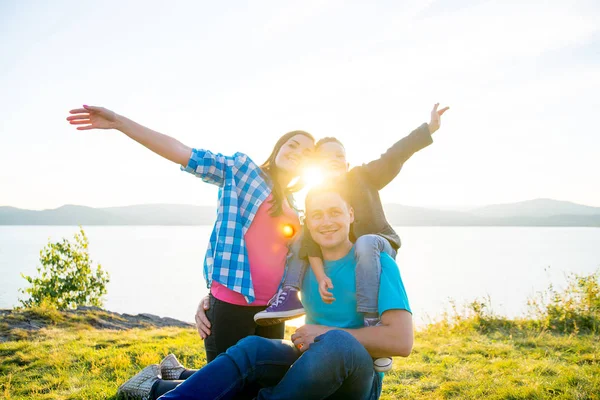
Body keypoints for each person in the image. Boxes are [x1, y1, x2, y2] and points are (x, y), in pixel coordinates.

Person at [66, 105, 315, 364]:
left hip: (271, 311)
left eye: (307, 153)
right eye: (293, 145)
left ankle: (174, 376)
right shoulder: (244, 172)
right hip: (232, 306)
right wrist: (119, 122)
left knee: (264, 382)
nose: (297, 153)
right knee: (224, 386)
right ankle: (159, 385)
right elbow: (184, 153)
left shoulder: (294, 204)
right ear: (279, 148)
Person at [119, 182, 414, 400]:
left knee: (336, 343)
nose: (326, 222)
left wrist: (322, 333)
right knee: (253, 348)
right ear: (307, 222)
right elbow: (254, 289)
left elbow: (401, 341)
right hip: (307, 366)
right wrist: (209, 300)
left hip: (358, 380)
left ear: (350, 214)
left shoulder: (377, 264)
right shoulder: (299, 267)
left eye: (335, 212)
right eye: (317, 215)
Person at [254, 103, 449, 372]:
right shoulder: (321, 196)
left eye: (339, 156)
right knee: (302, 233)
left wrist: (427, 129)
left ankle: (373, 325)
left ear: (347, 163)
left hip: (379, 242)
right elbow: (311, 242)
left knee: (365, 242)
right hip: (352, 254)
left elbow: (395, 155)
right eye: (326, 157)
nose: (334, 159)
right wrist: (320, 274)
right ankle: (288, 293)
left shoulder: (363, 177)